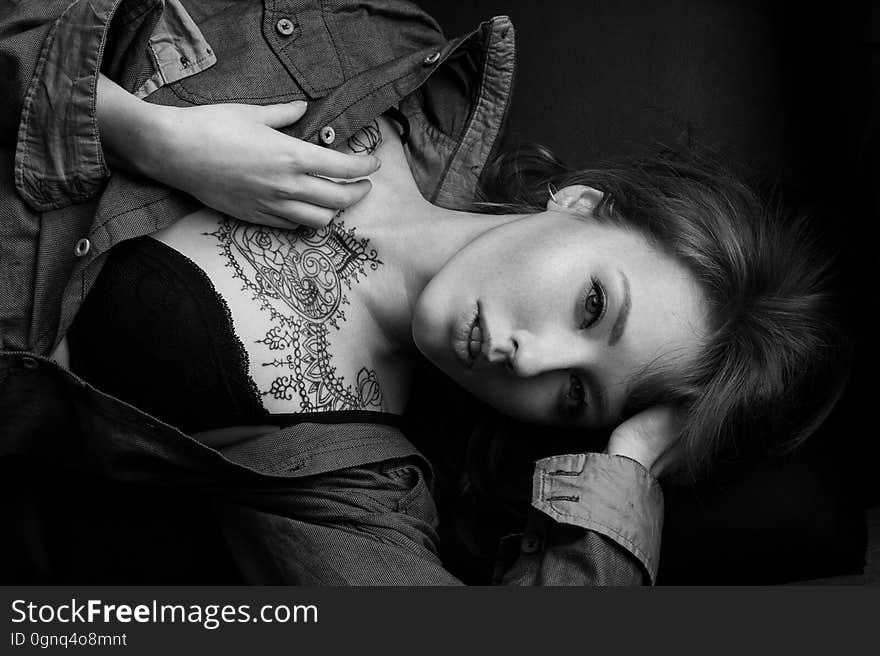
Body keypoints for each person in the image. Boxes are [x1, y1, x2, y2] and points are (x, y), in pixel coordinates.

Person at [0, 0, 847, 585]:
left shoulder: (352, 485)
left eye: (577, 396)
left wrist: (625, 474)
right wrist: (145, 134)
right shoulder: (366, 41)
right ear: (586, 205)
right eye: (593, 306)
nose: (530, 359)